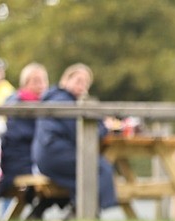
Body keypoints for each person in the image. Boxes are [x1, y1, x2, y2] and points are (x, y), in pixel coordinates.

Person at [32, 63, 118, 213]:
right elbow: (82, 134)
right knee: (99, 167)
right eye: (79, 80)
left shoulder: (58, 98)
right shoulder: (63, 101)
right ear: (65, 80)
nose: (82, 85)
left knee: (90, 170)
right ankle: (90, 211)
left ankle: (74, 209)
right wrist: (105, 127)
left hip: (48, 156)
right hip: (54, 155)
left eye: (86, 83)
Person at [0, 62, 49, 215]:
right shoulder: (17, 105)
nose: (41, 85)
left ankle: (37, 213)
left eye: (43, 80)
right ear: (25, 83)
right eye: (36, 81)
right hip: (19, 161)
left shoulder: (47, 105)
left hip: (33, 158)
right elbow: (21, 137)